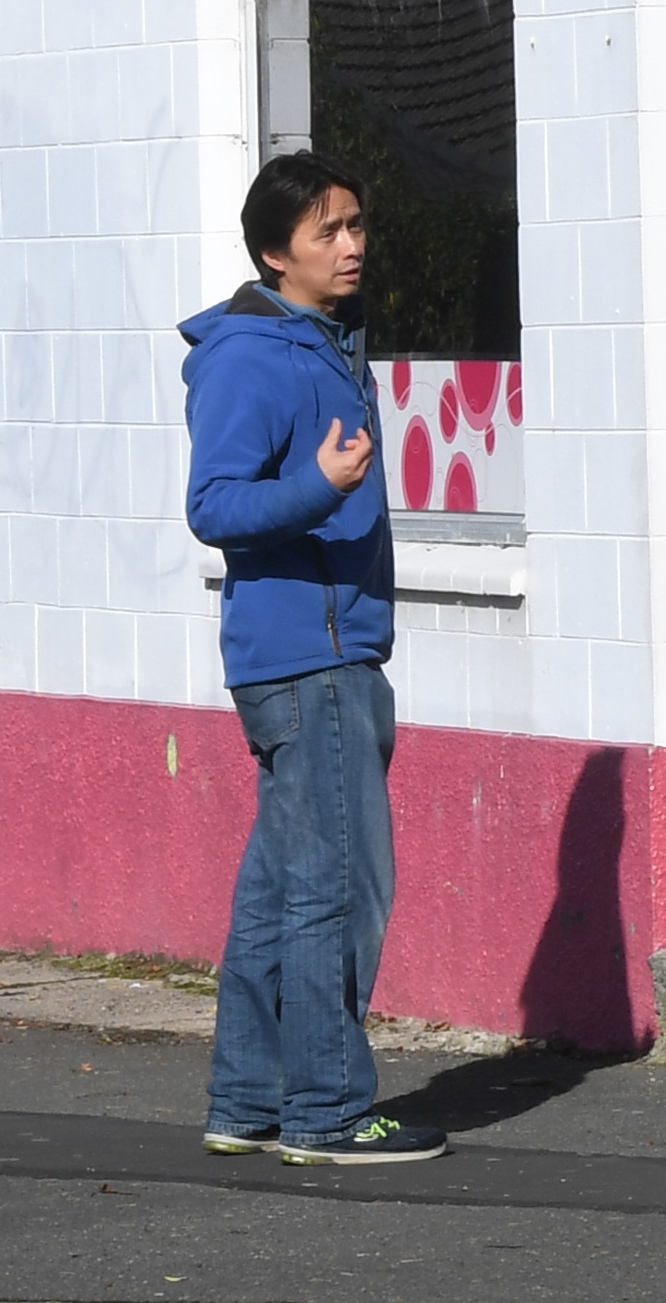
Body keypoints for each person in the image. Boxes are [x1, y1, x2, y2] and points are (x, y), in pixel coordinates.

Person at [177, 152, 446, 1167]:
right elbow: (215, 507)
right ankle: (329, 1109)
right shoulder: (254, 355)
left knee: (278, 892)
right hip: (311, 661)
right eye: (327, 231)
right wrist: (321, 487)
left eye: (356, 226)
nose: (352, 245)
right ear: (271, 251)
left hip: (318, 655)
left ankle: (247, 1101)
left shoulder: (323, 345)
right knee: (336, 887)